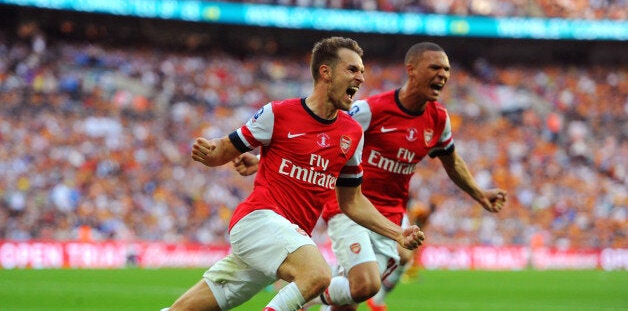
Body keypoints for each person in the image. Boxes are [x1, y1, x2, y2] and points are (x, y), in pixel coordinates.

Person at [233, 42, 508, 311]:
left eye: (447, 70)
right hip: (350, 205)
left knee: (351, 299)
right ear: (411, 70)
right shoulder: (370, 110)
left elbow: (453, 162)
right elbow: (322, 138)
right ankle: (306, 289)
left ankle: (311, 285)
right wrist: (260, 160)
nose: (443, 75)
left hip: (390, 213)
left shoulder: (438, 120)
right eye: (435, 67)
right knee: (365, 285)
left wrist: (480, 194)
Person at [161, 36, 425, 311]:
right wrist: (208, 150)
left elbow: (352, 201)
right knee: (318, 274)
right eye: (352, 70)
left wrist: (398, 233)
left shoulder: (352, 133)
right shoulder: (278, 113)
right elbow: (223, 150)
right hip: (258, 221)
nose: (360, 78)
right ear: (325, 72)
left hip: (286, 238)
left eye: (362, 72)